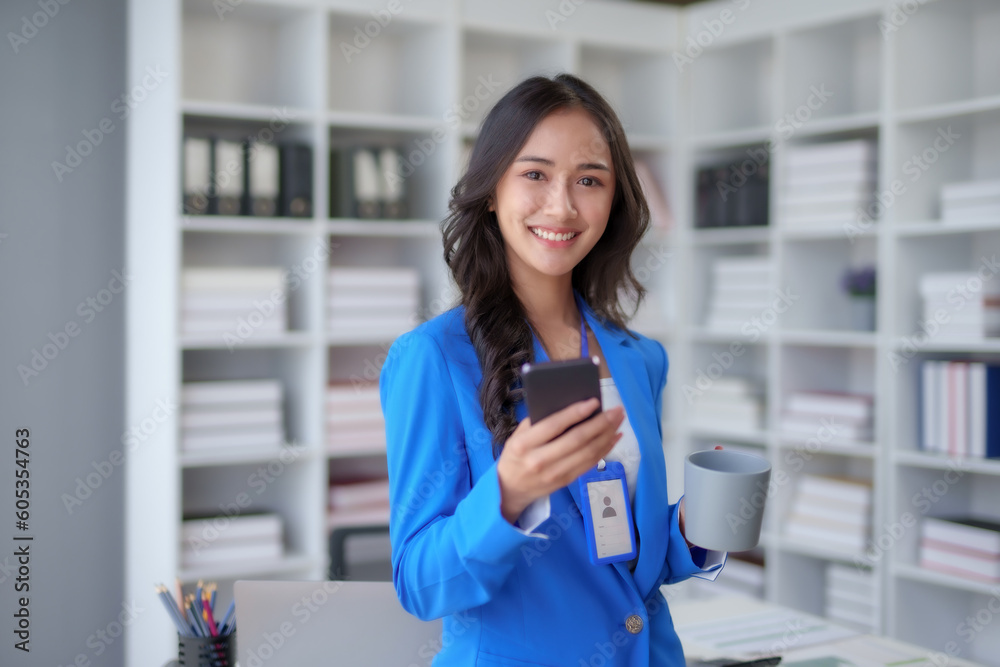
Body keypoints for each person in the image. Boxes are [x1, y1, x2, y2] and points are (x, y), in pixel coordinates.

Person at [380, 73, 725, 666]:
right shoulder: (434, 358)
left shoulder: (639, 358)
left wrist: (692, 527)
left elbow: (617, 553)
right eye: (535, 174)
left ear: (615, 197)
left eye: (589, 180)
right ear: (491, 190)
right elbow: (419, 583)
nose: (562, 205)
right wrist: (509, 492)